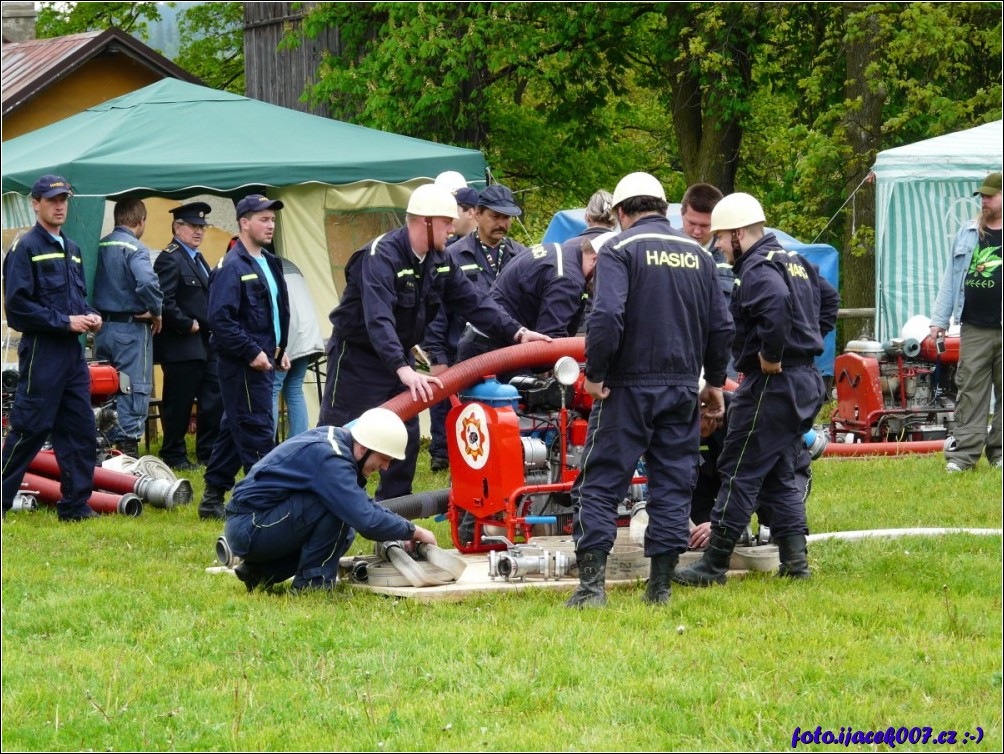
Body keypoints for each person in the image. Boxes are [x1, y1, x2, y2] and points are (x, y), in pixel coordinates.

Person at [565, 172, 734, 608]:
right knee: (673, 485)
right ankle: (659, 588)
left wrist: (596, 374)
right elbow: (722, 326)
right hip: (682, 388)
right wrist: (714, 384)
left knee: (601, 483)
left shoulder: (618, 250)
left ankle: (591, 589)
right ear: (666, 209)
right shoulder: (700, 256)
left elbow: (605, 317)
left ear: (621, 213)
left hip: (625, 388)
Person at [317, 184, 548, 501]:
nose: (453, 229)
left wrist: (519, 333)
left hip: (399, 360)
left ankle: (394, 512)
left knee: (406, 436)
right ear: (424, 222)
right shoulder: (379, 257)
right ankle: (327, 503)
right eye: (446, 222)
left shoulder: (439, 260)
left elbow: (475, 303)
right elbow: (378, 319)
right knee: (339, 434)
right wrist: (403, 369)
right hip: (359, 358)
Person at [673, 192, 839, 588]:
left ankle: (712, 566)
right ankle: (795, 563)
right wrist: (808, 341)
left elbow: (777, 305)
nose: (718, 247)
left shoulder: (758, 269)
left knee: (738, 470)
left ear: (738, 233)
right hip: (804, 382)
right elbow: (829, 301)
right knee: (781, 471)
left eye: (721, 238)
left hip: (771, 384)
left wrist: (772, 353)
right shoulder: (796, 262)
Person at [224, 408, 438, 593]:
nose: (385, 467)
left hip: (254, 523)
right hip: (250, 525)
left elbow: (365, 505)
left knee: (344, 533)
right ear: (364, 448)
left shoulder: (338, 446)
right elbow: (366, 518)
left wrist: (407, 528)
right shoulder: (332, 458)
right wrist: (415, 532)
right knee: (340, 509)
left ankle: (260, 573)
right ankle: (312, 584)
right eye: (384, 459)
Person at [1, 175, 103, 521]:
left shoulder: (72, 249)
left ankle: (74, 505)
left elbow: (78, 300)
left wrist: (89, 315)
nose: (60, 206)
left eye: (64, 200)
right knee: (29, 429)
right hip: (43, 353)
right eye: (52, 200)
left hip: (72, 356)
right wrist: (65, 322)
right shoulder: (25, 248)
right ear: (35, 203)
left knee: (80, 429)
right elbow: (17, 309)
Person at [422, 183, 528, 472]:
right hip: (465, 355)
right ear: (477, 214)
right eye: (496, 216)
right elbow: (436, 311)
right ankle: (449, 457)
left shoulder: (522, 256)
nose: (503, 224)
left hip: (512, 355)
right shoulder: (453, 256)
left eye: (508, 218)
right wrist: (437, 357)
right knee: (470, 420)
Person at [198, 195, 290, 520]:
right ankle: (261, 505)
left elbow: (274, 313)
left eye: (273, 220)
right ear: (244, 223)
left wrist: (280, 349)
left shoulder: (270, 262)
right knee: (256, 431)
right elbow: (220, 320)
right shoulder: (231, 266)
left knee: (232, 430)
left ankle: (212, 499)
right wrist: (252, 352)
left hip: (265, 360)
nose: (270, 225)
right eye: (263, 219)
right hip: (242, 364)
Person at [930, 171, 1003, 473]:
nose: (984, 200)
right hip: (974, 326)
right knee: (970, 391)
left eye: (990, 195)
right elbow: (951, 278)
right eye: (982, 196)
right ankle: (963, 457)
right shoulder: (967, 231)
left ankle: (999, 454)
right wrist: (939, 319)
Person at [153, 201, 223, 472]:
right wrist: (186, 324)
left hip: (205, 341)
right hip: (182, 343)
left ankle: (207, 451)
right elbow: (164, 300)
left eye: (202, 227)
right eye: (193, 226)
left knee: (212, 398)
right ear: (177, 227)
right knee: (179, 402)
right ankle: (173, 452)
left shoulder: (196, 257)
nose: (199, 232)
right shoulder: (170, 257)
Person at [455, 234, 602, 362]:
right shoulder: (567, 279)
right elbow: (550, 343)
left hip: (487, 341)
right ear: (595, 260)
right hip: (494, 351)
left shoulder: (559, 251)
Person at [92, 198, 163, 457]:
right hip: (131, 330)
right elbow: (146, 282)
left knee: (103, 388)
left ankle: (103, 448)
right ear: (141, 220)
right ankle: (128, 451)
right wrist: (156, 310)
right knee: (133, 388)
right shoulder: (136, 248)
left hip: (102, 328)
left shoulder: (99, 245)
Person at [681, 183, 737, 380]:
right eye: (691, 223)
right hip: (679, 364)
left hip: (725, 367)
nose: (697, 232)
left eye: (705, 226)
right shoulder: (664, 251)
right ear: (682, 215)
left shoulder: (733, 257)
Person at [272, 257, 325, 439]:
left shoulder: (264, 266)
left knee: (273, 388)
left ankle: (266, 449)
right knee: (294, 388)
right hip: (307, 333)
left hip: (287, 334)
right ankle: (297, 444)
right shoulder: (291, 264)